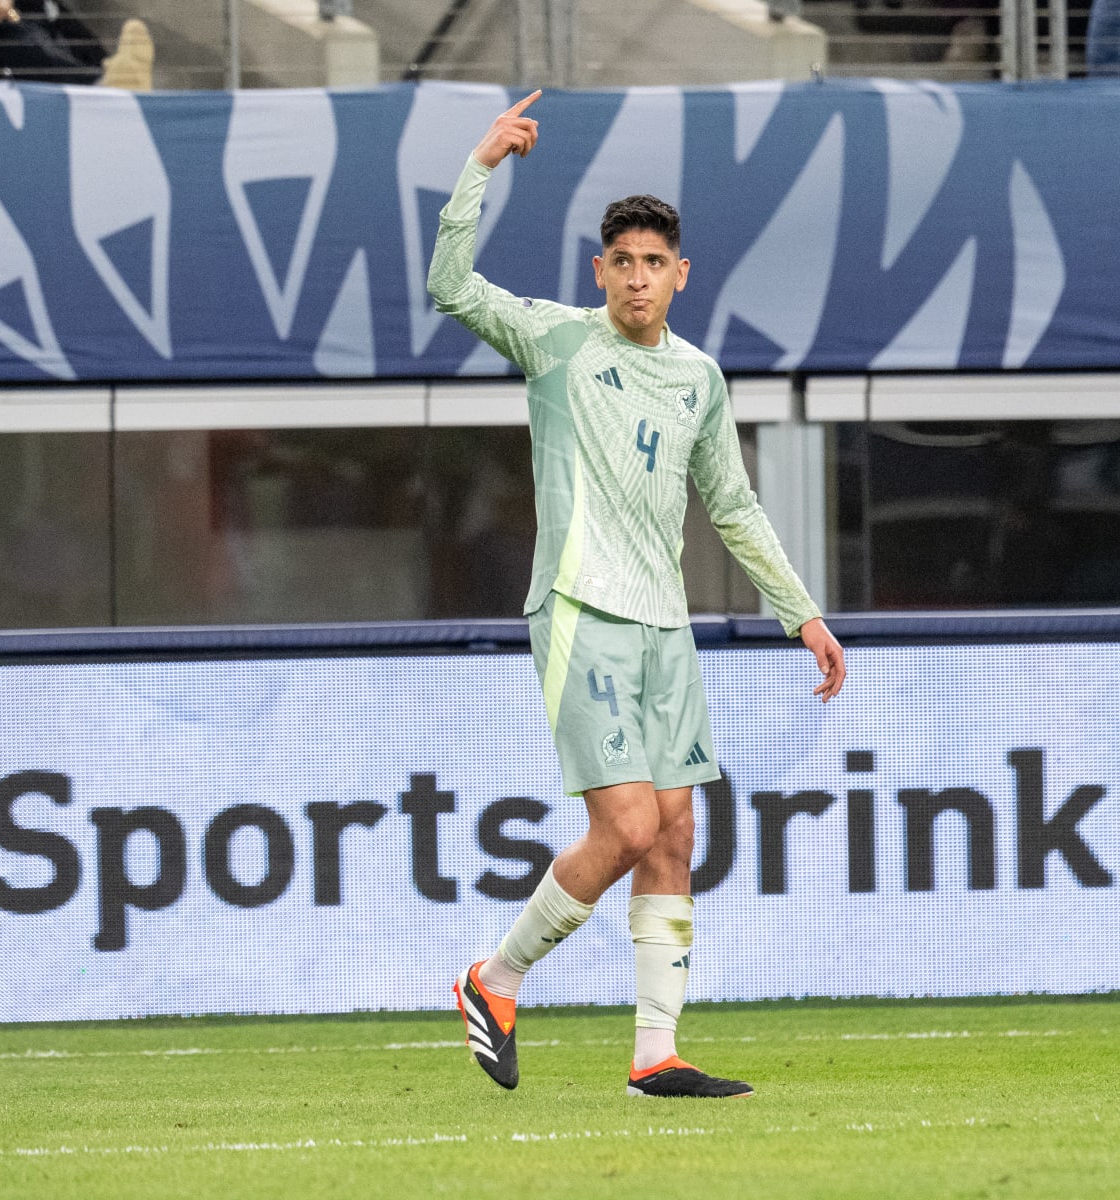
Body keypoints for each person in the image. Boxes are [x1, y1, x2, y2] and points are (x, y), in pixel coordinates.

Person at [427, 92, 846, 1099]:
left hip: (665, 625)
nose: (638, 277)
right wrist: (480, 163)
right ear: (600, 271)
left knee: (675, 831)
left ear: (679, 275)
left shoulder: (698, 379)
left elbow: (734, 507)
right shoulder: (556, 342)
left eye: (655, 262)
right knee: (621, 828)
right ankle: (494, 977)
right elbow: (448, 286)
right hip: (579, 608)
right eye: (623, 261)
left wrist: (803, 612)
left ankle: (655, 1054)